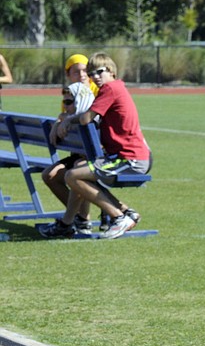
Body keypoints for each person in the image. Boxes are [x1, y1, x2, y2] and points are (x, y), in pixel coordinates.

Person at [39, 52, 151, 240]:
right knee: (77, 172)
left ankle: (118, 216)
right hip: (122, 156)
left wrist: (67, 120)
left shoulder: (110, 89)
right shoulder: (115, 87)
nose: (95, 77)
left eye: (99, 72)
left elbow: (85, 118)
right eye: (91, 74)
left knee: (73, 175)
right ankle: (70, 223)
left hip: (128, 158)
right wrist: (65, 119)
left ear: (111, 71)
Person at [43, 54, 98, 235]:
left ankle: (79, 219)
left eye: (85, 71)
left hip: (94, 154)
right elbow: (67, 117)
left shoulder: (96, 91)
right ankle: (80, 217)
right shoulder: (70, 93)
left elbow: (86, 118)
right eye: (77, 71)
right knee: (50, 175)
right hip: (80, 151)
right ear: (68, 74)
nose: (83, 75)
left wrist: (62, 120)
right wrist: (59, 121)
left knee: (77, 170)